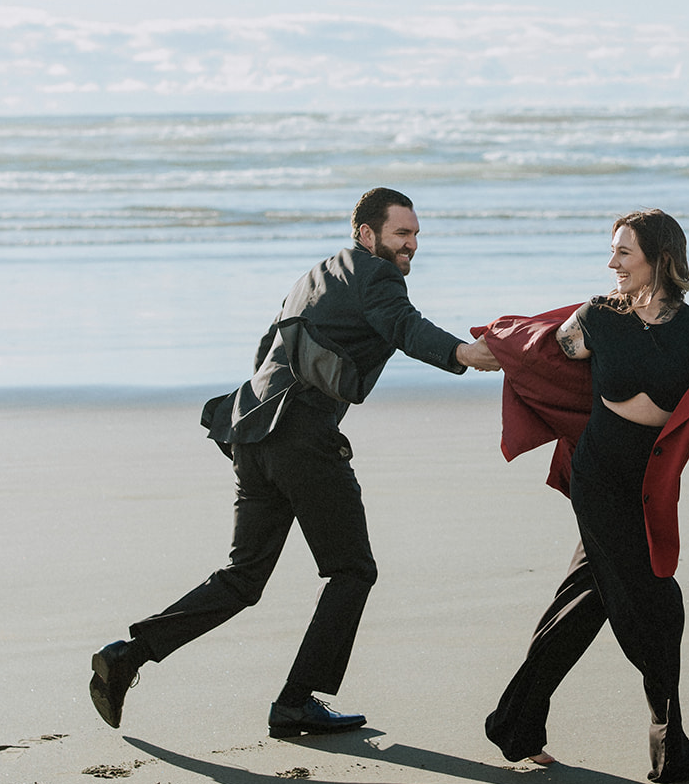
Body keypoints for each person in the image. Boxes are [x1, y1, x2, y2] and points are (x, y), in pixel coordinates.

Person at [88, 187, 498, 737]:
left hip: (254, 433)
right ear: (366, 234)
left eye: (417, 234)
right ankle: (295, 702)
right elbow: (402, 324)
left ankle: (129, 655)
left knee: (242, 577)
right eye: (402, 233)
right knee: (352, 570)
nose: (412, 245)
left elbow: (266, 353)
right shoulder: (376, 276)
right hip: (301, 436)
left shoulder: (314, 277)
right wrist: (461, 354)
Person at [480, 209, 689, 783]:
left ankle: (514, 722)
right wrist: (495, 345)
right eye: (613, 250)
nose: (611, 262)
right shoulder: (597, 316)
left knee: (580, 604)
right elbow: (549, 352)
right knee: (658, 606)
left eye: (624, 252)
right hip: (596, 475)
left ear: (660, 258)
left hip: (648, 482)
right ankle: (670, 746)